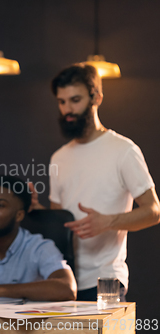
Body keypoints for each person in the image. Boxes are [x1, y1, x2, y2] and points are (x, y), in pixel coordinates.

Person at [32, 64, 160, 301]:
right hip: (63, 279)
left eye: (75, 100)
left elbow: (154, 211)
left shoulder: (124, 150)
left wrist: (108, 221)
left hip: (107, 279)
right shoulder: (58, 157)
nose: (68, 109)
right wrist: (37, 214)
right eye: (61, 102)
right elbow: (61, 223)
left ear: (97, 97)